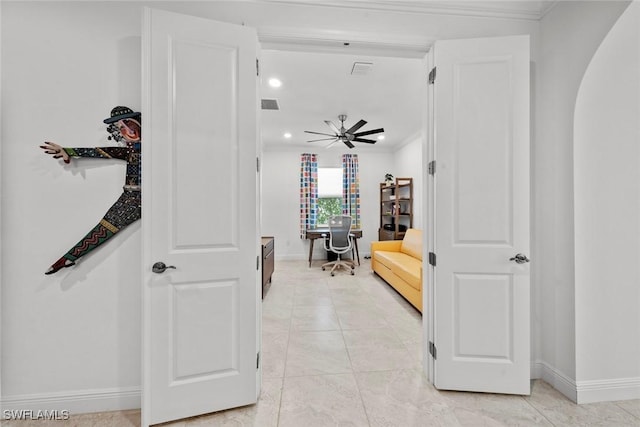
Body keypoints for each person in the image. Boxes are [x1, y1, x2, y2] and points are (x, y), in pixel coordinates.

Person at [40, 106, 141, 275]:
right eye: (121, 128)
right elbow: (100, 152)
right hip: (131, 197)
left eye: (129, 123)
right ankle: (69, 257)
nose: (128, 130)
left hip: (153, 196)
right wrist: (69, 151)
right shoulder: (128, 151)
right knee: (103, 228)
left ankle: (69, 257)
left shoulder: (155, 149)